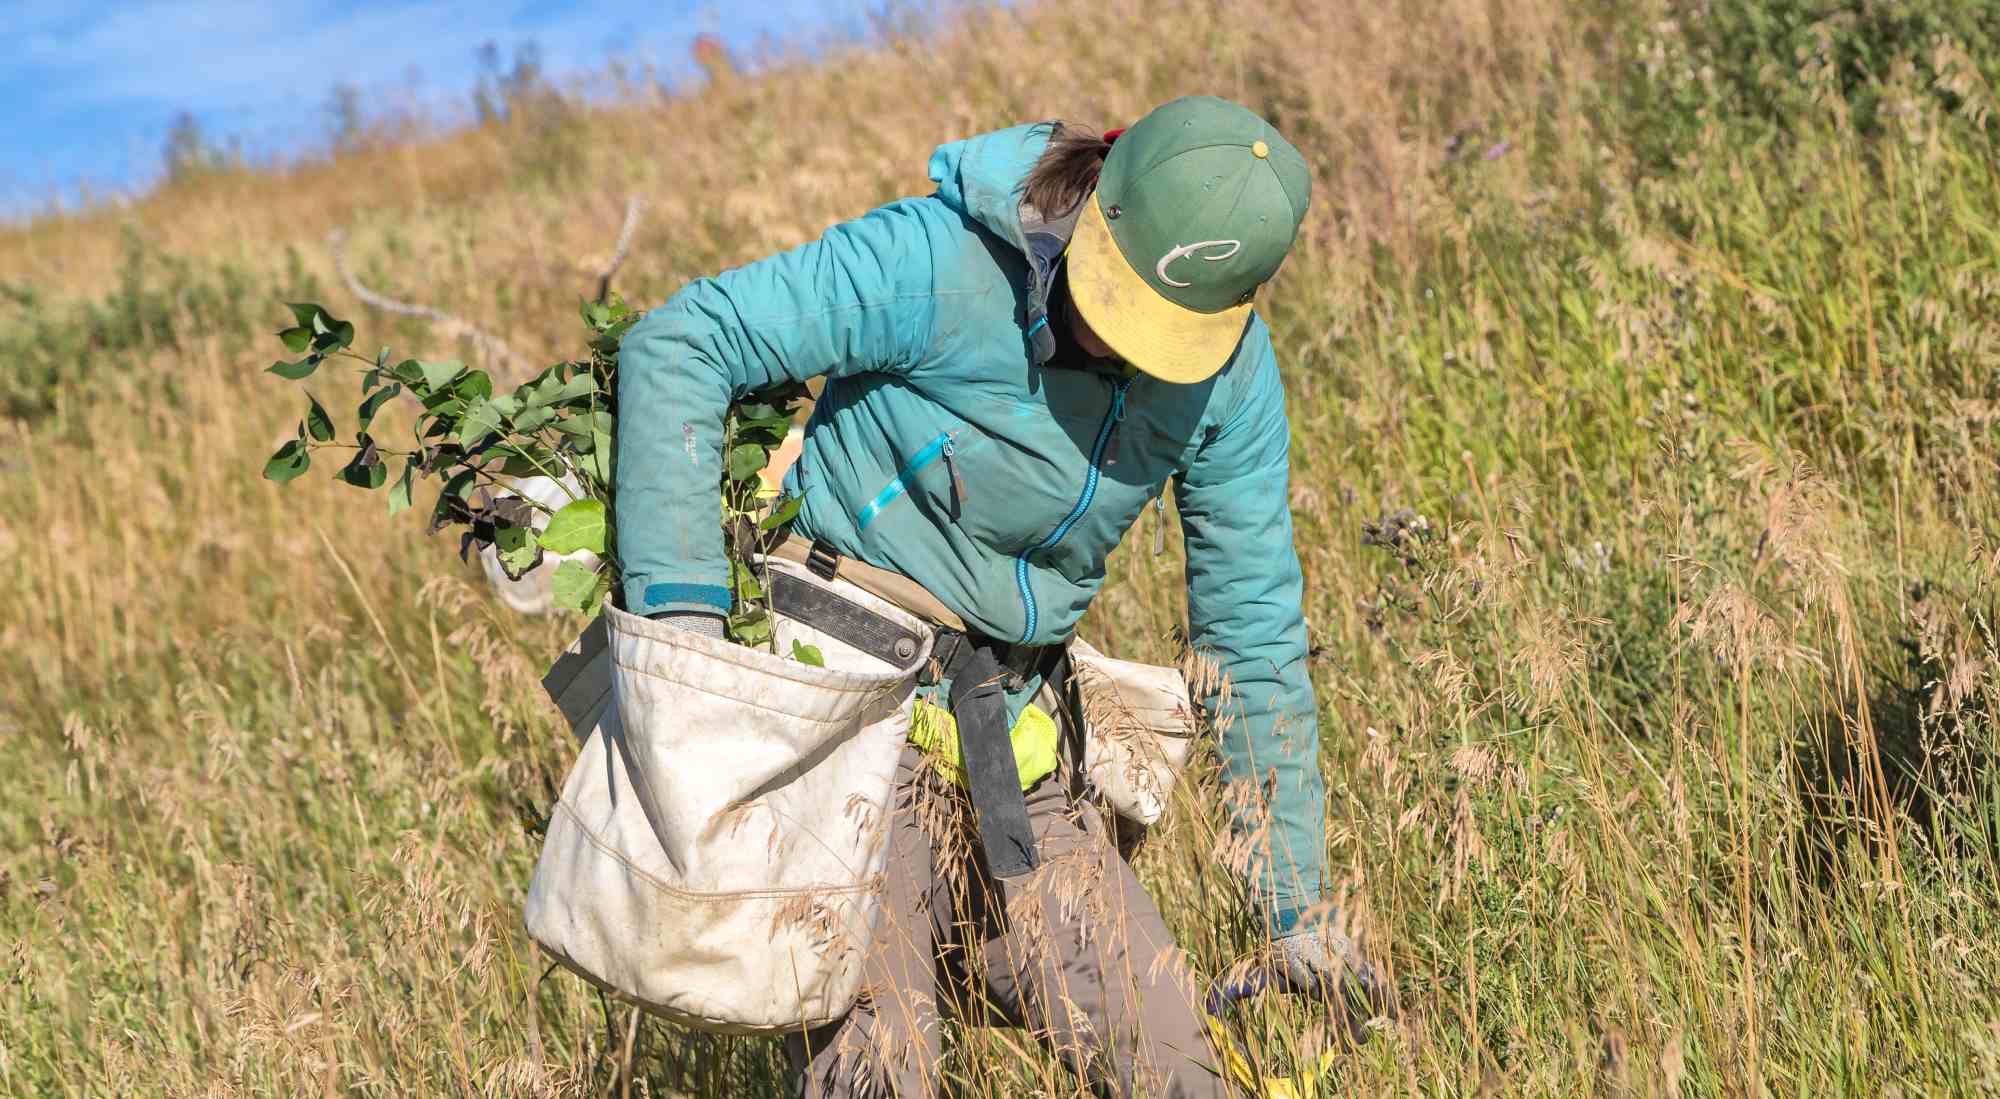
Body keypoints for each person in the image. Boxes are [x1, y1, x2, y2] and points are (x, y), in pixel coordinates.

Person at [614, 96, 1386, 1098]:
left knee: (1183, 1073)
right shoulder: (937, 261)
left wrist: (1292, 909)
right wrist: (685, 636)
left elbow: (1249, 635)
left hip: (1018, 754)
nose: (1123, 351)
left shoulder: (1231, 378)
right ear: (1095, 203)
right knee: (879, 1076)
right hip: (841, 730)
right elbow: (682, 341)